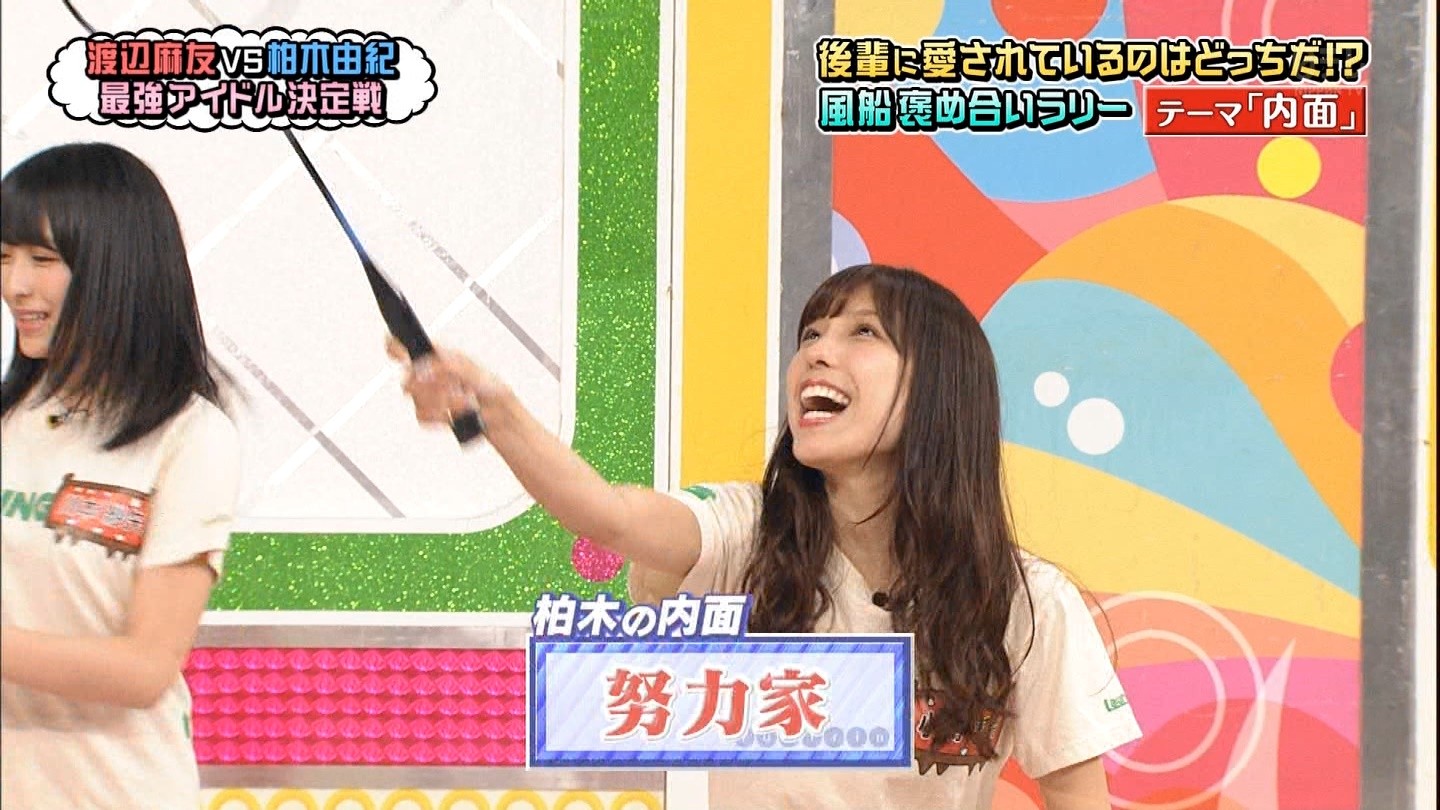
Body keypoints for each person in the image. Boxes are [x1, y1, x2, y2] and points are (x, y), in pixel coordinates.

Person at [393, 263, 1142, 809]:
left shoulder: (1026, 601)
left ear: (940, 391)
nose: (817, 350)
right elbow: (610, 515)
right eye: (811, 333)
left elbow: (1077, 798)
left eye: (863, 332)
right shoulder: (742, 532)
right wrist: (498, 411)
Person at [0, 143, 241, 810]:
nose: (15, 285)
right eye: (4, 257)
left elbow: (144, 668)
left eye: (42, 259)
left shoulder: (190, 435)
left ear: (115, 266)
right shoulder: (9, 419)